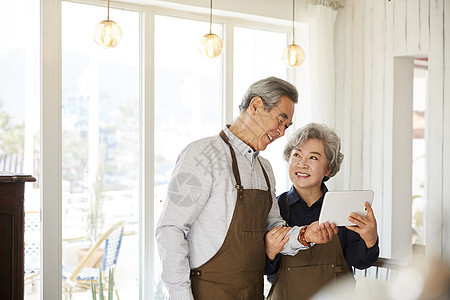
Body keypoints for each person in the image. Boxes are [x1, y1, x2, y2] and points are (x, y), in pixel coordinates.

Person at [156, 77, 338, 300]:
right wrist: (180, 295)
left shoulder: (265, 169)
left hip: (251, 292)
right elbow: (170, 229)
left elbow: (275, 229)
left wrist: (303, 235)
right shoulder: (202, 155)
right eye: (280, 120)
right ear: (256, 105)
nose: (282, 132)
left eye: (286, 126)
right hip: (206, 293)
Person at [265, 122, 380, 300]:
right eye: (297, 155)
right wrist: (269, 252)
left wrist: (370, 238)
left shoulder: (346, 208)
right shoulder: (274, 208)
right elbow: (265, 269)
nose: (302, 164)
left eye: (313, 158)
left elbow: (360, 262)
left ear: (329, 168)